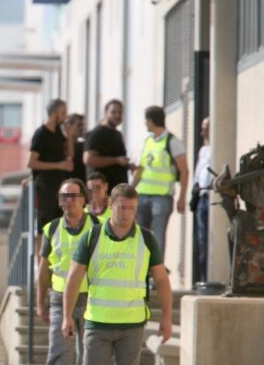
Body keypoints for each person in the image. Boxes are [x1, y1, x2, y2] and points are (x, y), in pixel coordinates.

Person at [62, 184, 173, 365]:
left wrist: (167, 318)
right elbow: (73, 278)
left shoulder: (146, 239)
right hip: (97, 323)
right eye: (122, 207)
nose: (127, 213)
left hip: (132, 325)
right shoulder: (92, 237)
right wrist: (66, 316)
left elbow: (161, 280)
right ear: (111, 204)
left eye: (132, 208)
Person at [37, 178, 100, 365]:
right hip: (59, 300)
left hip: (92, 300)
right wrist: (40, 303)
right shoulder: (52, 228)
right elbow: (43, 269)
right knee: (59, 355)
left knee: (89, 357)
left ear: (83, 199)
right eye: (64, 196)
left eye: (73, 196)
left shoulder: (99, 227)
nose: (69, 201)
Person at [132, 105, 189, 259]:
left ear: (151, 121)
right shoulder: (148, 141)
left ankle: (155, 275)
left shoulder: (172, 142)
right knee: (140, 236)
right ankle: (141, 272)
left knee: (157, 237)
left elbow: (184, 170)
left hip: (162, 197)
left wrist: (182, 198)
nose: (145, 124)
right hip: (143, 195)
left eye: (146, 120)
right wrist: (130, 190)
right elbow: (141, 169)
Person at [29, 99, 74, 257]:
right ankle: (40, 264)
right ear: (54, 114)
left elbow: (69, 156)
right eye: (62, 113)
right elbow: (32, 162)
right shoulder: (41, 134)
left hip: (59, 185)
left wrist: (69, 136)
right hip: (45, 186)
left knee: (58, 223)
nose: (65, 117)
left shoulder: (58, 132)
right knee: (44, 226)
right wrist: (58, 165)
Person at [84, 99, 134, 192]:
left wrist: (128, 165)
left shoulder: (118, 134)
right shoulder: (97, 133)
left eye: (120, 112)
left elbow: (117, 159)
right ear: (106, 113)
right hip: (101, 192)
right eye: (113, 112)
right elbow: (88, 159)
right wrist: (116, 160)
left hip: (118, 191)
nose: (117, 115)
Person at [192, 118, 211, 282]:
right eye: (203, 128)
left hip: (213, 197)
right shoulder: (203, 150)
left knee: (211, 238)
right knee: (202, 239)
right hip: (202, 198)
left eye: (207, 128)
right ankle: (204, 277)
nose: (203, 132)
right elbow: (199, 174)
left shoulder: (217, 148)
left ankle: (212, 276)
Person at [64, 113, 88, 182]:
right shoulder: (62, 145)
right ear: (69, 126)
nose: (82, 128)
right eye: (79, 125)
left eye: (83, 125)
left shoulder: (83, 145)